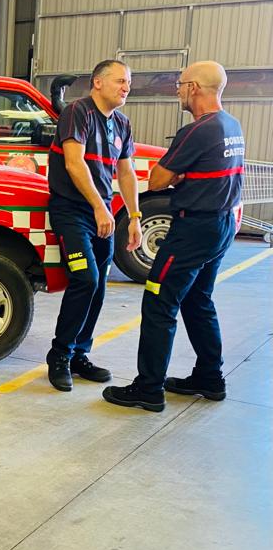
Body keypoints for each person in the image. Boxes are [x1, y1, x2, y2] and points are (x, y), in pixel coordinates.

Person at [104, 61, 244, 412]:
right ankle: (210, 378)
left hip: (193, 230)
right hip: (222, 225)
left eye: (180, 84)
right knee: (198, 300)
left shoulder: (197, 130)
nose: (177, 90)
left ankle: (148, 389)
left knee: (158, 301)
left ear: (194, 87)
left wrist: (176, 176)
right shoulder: (231, 125)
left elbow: (157, 179)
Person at [45, 59, 142, 392]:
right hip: (73, 211)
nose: (126, 87)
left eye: (128, 83)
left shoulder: (122, 123)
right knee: (85, 278)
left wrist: (134, 217)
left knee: (99, 286)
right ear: (98, 83)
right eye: (120, 81)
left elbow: (126, 172)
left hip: (102, 215)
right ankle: (59, 355)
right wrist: (100, 207)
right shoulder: (77, 112)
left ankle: (79, 354)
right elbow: (74, 164)